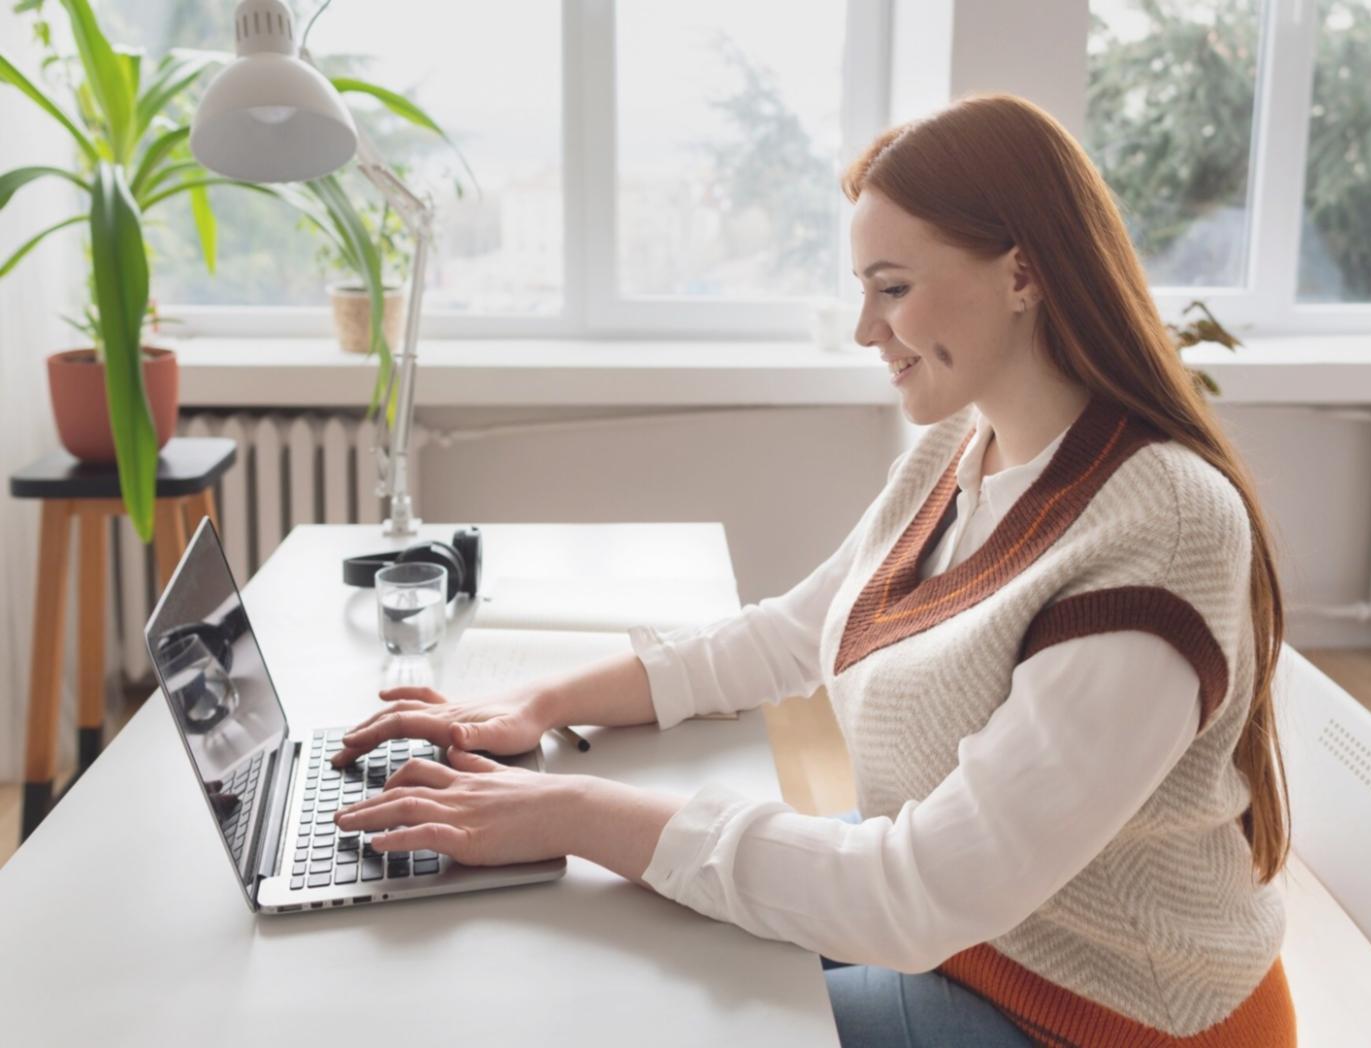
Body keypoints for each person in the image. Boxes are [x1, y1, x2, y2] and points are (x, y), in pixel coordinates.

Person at [329, 92, 1297, 1047]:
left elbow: (909, 897)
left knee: (648, 1007)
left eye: (893, 286)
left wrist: (570, 808)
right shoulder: (966, 446)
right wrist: (538, 705)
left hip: (1095, 1015)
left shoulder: (1159, 534)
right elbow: (795, 632)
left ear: (1023, 273)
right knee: (612, 928)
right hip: (967, 933)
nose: (864, 330)